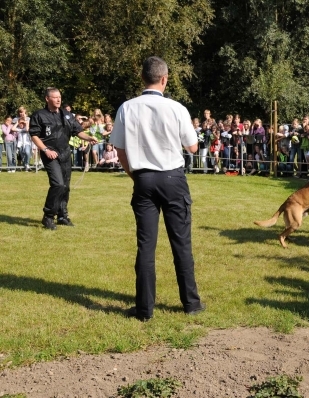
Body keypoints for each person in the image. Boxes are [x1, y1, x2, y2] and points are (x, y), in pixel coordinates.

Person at [110, 56, 205, 321]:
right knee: (181, 243)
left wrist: (134, 175)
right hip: (173, 178)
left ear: (142, 78)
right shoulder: (176, 108)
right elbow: (193, 147)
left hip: (143, 179)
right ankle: (191, 303)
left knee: (146, 245)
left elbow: (119, 148)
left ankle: (144, 310)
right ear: (165, 79)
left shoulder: (127, 108)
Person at [29, 88, 98, 229]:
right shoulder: (39, 115)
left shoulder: (66, 115)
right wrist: (45, 150)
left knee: (65, 186)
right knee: (58, 184)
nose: (58, 99)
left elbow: (77, 131)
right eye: (55, 97)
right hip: (50, 154)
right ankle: (48, 216)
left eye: (59, 97)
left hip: (65, 154)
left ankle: (62, 215)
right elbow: (34, 135)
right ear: (47, 99)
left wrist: (89, 137)